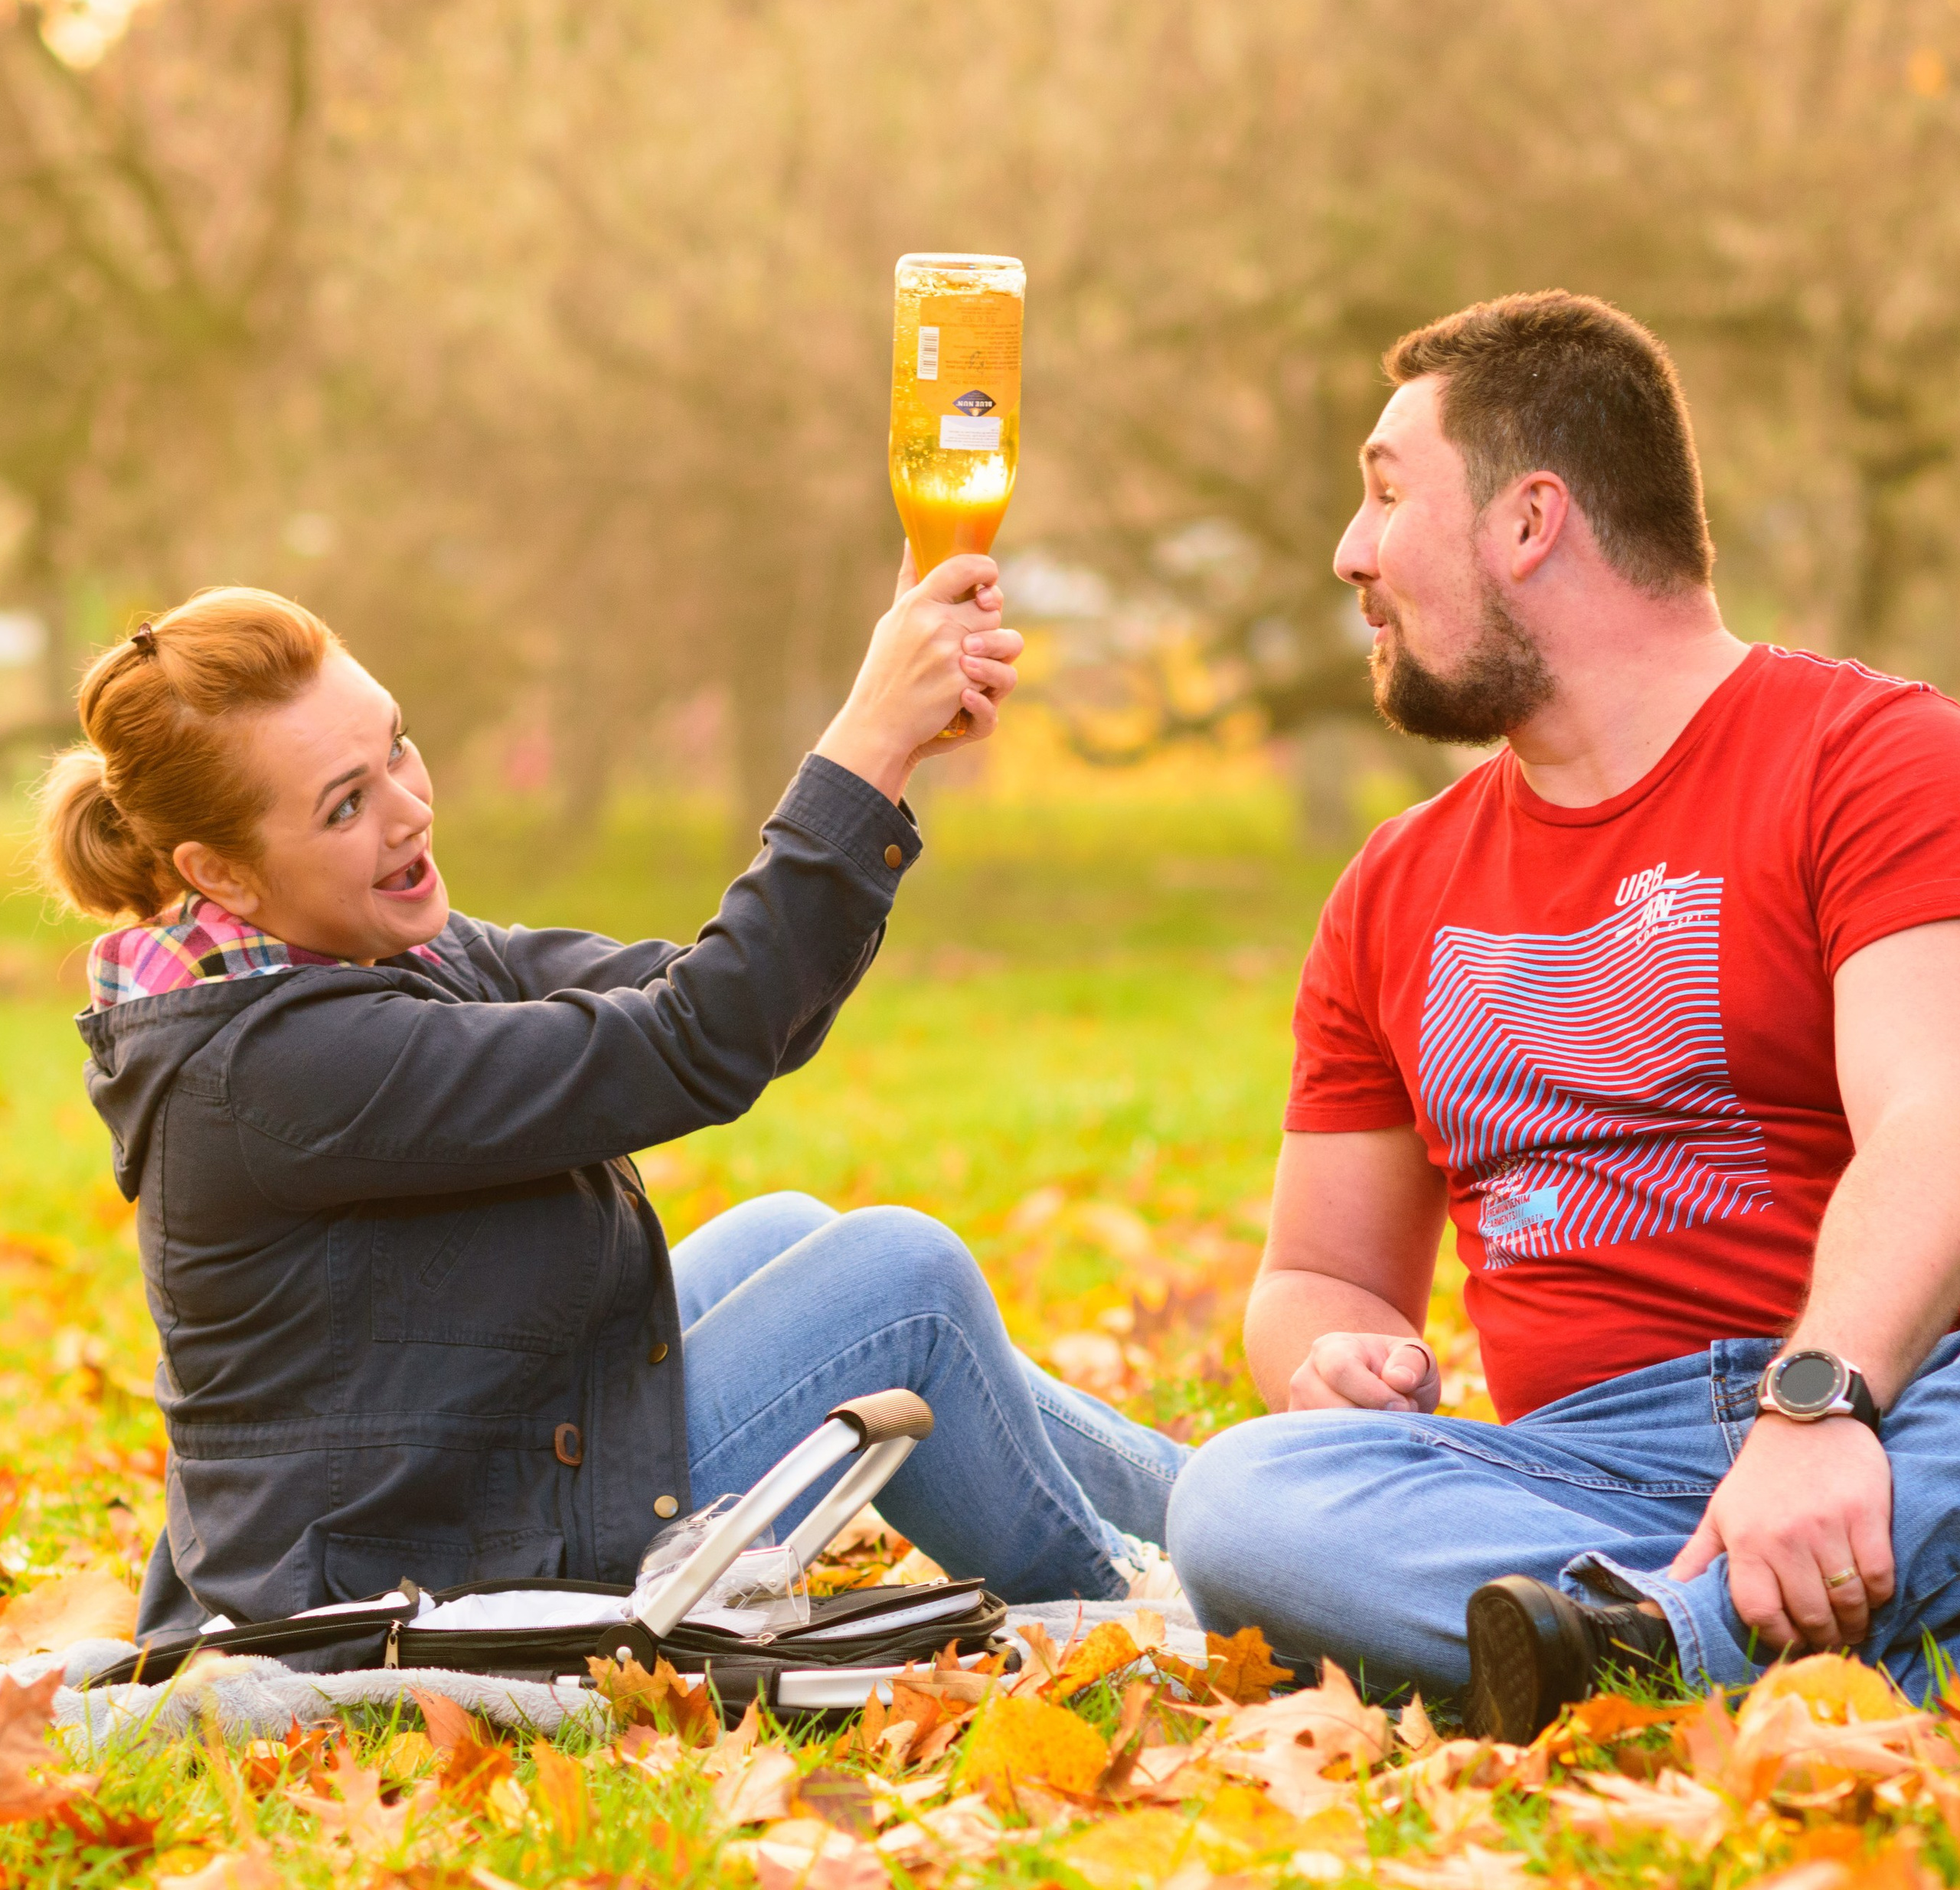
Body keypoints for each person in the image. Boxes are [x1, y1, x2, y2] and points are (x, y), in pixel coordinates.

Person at [38, 554, 1187, 1638]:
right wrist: (867, 741)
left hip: (478, 1473)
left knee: (788, 1232)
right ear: (220, 874)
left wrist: (888, 757)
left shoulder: (370, 957)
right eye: (345, 805)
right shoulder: (277, 1067)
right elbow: (701, 1037)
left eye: (396, 748)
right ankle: (1132, 1614)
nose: (407, 809)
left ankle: (1217, 1512)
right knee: (902, 1284)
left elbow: (727, 1008)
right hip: (415, 1573)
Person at [1165, 290, 1960, 1737]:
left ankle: (1645, 1647)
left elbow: (1938, 1119)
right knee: (1240, 1502)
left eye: (1387, 494)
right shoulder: (1392, 888)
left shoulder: (1875, 757)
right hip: (1575, 1473)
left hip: (1893, 1397)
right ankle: (1728, 1637)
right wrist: (1330, 1358)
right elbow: (1320, 1276)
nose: (1351, 553)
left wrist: (1815, 1412)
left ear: (1531, 522)